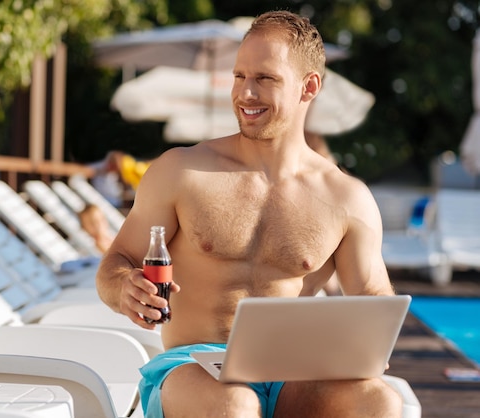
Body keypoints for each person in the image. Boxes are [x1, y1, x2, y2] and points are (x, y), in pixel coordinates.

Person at [96, 10, 402, 418]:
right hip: (193, 368)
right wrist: (125, 289)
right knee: (236, 404)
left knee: (380, 402)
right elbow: (114, 266)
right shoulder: (181, 171)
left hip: (292, 371)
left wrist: (369, 341)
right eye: (239, 76)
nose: (245, 94)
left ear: (308, 87)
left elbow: (373, 298)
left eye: (265, 79)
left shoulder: (347, 198)